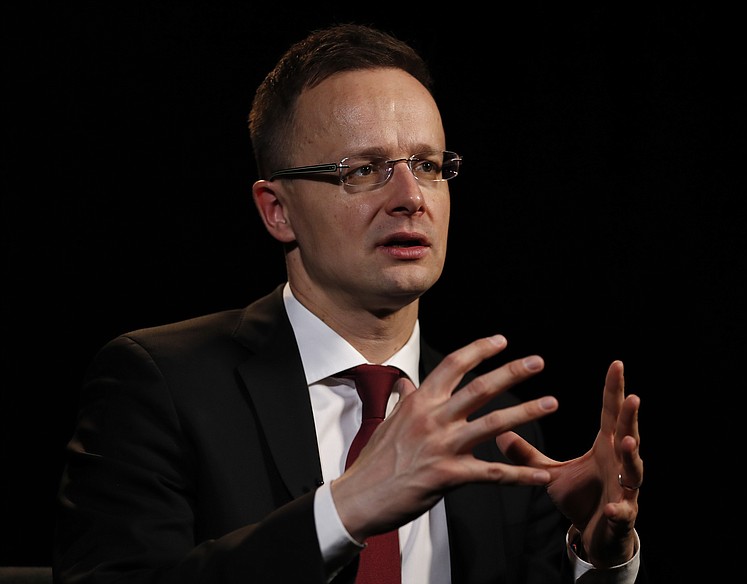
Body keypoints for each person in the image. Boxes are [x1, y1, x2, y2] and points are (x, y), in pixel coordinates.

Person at [53, 23, 645, 584]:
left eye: (428, 166)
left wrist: (596, 558)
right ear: (277, 210)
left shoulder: (494, 423)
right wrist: (345, 510)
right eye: (364, 169)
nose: (411, 197)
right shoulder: (161, 384)